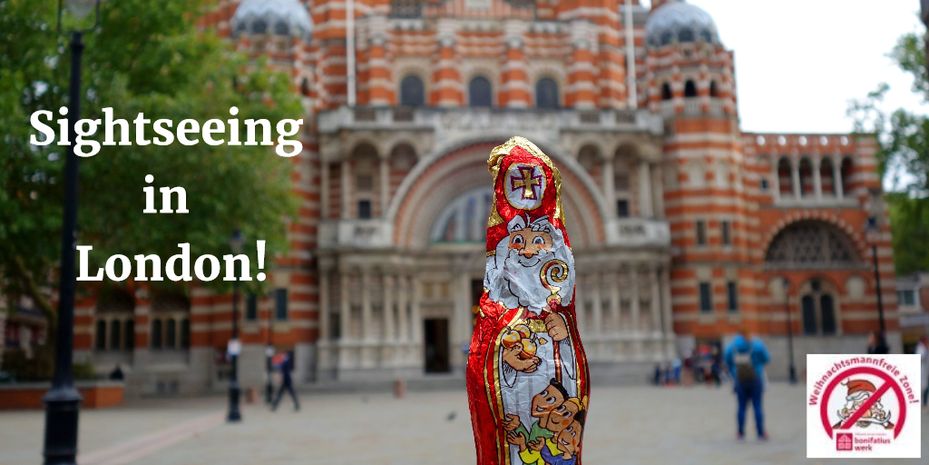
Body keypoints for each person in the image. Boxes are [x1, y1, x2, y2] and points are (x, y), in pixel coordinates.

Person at [466, 137, 590, 465]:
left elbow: (570, 381)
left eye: (539, 242)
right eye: (519, 241)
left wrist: (560, 330)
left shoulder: (560, 315)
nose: (529, 251)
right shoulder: (497, 314)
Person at [724, 327, 770, 440]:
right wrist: (757, 363)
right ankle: (760, 432)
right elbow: (767, 358)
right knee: (757, 406)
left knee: (741, 407)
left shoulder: (732, 346)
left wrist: (734, 370)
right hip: (755, 378)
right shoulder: (756, 344)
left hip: (740, 380)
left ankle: (740, 432)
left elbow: (727, 360)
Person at [916, 335, 928, 411]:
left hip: (925, 370)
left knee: (925, 387)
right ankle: (923, 403)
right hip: (923, 371)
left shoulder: (923, 348)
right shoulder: (921, 348)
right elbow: (921, 357)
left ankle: (924, 402)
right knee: (924, 388)